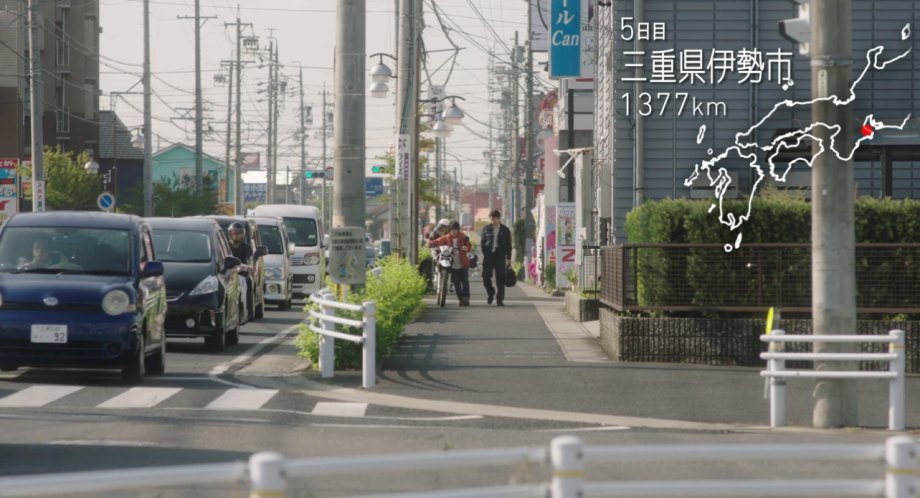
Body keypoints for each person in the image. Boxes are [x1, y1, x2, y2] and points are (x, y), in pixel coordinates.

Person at [428, 221, 472, 306]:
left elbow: (469, 247)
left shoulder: (463, 236)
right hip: (453, 264)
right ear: (449, 230)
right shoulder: (446, 237)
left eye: (456, 230)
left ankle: (466, 298)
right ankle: (461, 298)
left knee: (465, 281)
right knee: (456, 283)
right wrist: (430, 243)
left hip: (463, 263)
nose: (454, 232)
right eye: (452, 230)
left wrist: (465, 247)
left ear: (458, 230)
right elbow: (437, 241)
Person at [480, 209, 512, 306]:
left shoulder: (505, 230)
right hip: (489, 256)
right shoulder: (486, 229)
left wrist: (508, 257)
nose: (492, 221)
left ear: (498, 218)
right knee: (485, 277)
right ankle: (491, 292)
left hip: (500, 256)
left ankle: (500, 299)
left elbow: (508, 245)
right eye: (491, 219)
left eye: (494, 219)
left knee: (500, 279)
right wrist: (485, 253)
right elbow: (483, 242)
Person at [228, 221, 254, 320]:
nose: (236, 235)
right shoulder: (226, 246)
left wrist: (248, 266)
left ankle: (249, 311)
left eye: (239, 232)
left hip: (242, 274)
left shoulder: (247, 247)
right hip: (228, 274)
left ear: (243, 234)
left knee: (248, 282)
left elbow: (249, 260)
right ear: (230, 233)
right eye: (234, 232)